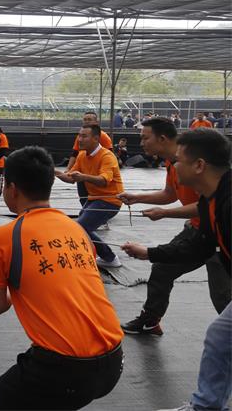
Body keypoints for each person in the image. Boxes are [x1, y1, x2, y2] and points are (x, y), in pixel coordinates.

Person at [0, 146, 124, 410]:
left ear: (11, 189)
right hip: (114, 362)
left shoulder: (2, 238)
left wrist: (16, 283)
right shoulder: (78, 230)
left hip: (65, 369)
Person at [121, 129, 230, 411]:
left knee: (223, 313)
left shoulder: (228, 203)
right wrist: (149, 253)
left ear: (199, 165)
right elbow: (199, 247)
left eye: (179, 160)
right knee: (220, 335)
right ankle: (206, 406)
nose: (173, 166)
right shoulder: (211, 200)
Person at [118, 118, 230, 336]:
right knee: (163, 267)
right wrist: (149, 252)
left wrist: (164, 213)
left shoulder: (221, 202)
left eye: (145, 138)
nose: (141, 143)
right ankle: (151, 320)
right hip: (201, 231)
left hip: (213, 235)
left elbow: (203, 208)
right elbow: (172, 196)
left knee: (222, 296)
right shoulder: (185, 171)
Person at [56, 124, 125, 268]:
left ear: (96, 138)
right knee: (82, 227)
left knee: (80, 227)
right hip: (94, 198)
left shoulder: (107, 156)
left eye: (84, 136)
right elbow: (71, 178)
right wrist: (53, 172)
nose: (79, 139)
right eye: (79, 136)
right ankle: (102, 255)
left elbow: (104, 180)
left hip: (110, 200)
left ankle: (110, 258)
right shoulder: (82, 155)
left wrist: (83, 177)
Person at [65, 111, 112, 208]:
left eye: (89, 119)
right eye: (85, 119)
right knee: (83, 195)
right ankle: (87, 209)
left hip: (97, 171)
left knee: (97, 192)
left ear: (96, 122)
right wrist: (68, 169)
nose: (86, 121)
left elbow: (110, 154)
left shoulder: (103, 137)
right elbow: (75, 153)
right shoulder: (80, 137)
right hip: (83, 168)